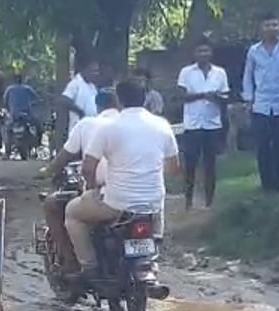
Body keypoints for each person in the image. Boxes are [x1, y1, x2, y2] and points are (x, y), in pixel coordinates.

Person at [68, 79, 181, 281]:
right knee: (156, 215)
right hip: (153, 204)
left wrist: (92, 188)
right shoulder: (162, 125)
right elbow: (174, 169)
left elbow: (88, 167)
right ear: (145, 99)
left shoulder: (109, 128)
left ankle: (89, 267)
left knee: (72, 213)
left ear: (118, 101)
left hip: (117, 205)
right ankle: (152, 257)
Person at [43, 89, 121, 275]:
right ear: (118, 105)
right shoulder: (132, 126)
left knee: (63, 209)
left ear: (98, 106)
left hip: (110, 195)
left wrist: (46, 171)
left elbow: (67, 158)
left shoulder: (87, 124)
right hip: (144, 199)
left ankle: (79, 264)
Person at [241, 16, 279, 193]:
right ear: (261, 27)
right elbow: (248, 76)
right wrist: (249, 100)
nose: (271, 28)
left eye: (274, 24)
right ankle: (266, 184)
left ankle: (278, 183)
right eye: (267, 25)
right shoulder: (254, 51)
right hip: (260, 105)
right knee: (262, 146)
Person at [177, 39, 230, 208]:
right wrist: (202, 95)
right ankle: (188, 199)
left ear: (211, 53)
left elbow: (225, 97)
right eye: (200, 51)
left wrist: (216, 97)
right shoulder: (186, 72)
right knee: (190, 164)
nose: (203, 54)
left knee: (210, 164)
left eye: (206, 51)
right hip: (192, 124)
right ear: (194, 54)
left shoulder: (220, 73)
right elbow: (181, 96)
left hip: (212, 124)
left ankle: (209, 201)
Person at [2, 75, 42, 160]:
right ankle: (37, 146)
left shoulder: (9, 89)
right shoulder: (27, 88)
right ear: (22, 80)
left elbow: (5, 101)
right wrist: (34, 103)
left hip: (14, 116)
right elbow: (37, 99)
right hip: (27, 115)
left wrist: (9, 108)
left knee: (7, 131)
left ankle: (7, 153)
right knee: (39, 127)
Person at [60, 55, 100, 137]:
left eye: (97, 71)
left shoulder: (92, 86)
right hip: (79, 129)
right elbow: (64, 99)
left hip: (91, 130)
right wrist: (80, 111)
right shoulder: (76, 83)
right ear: (84, 70)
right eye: (93, 71)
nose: (96, 74)